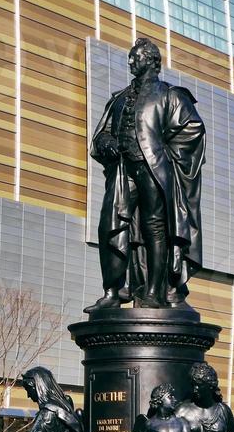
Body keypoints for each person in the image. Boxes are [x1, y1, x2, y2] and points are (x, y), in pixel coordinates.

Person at [86, 37, 207, 312]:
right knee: (111, 225)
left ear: (152, 60)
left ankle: (155, 290)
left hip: (154, 171)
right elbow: (102, 134)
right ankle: (113, 291)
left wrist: (166, 153)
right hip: (122, 170)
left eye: (135, 57)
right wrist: (106, 141)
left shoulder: (170, 95)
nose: (130, 61)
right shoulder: (118, 98)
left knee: (155, 227)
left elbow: (193, 130)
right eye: (130, 57)